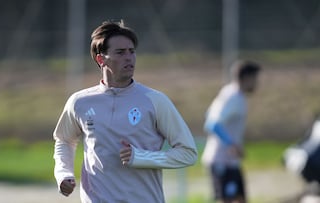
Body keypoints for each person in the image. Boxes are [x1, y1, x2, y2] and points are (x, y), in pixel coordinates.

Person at [53, 20, 198, 203]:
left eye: (132, 51)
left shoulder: (155, 100)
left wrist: (142, 157)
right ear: (101, 59)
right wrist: (63, 172)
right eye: (120, 53)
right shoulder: (79, 102)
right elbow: (64, 140)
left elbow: (188, 153)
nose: (129, 57)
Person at [201, 60, 261, 203]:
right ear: (247, 78)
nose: (257, 83)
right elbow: (212, 124)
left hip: (232, 162)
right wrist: (232, 145)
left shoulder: (235, 95)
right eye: (255, 79)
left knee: (241, 199)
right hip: (221, 160)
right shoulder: (232, 96)